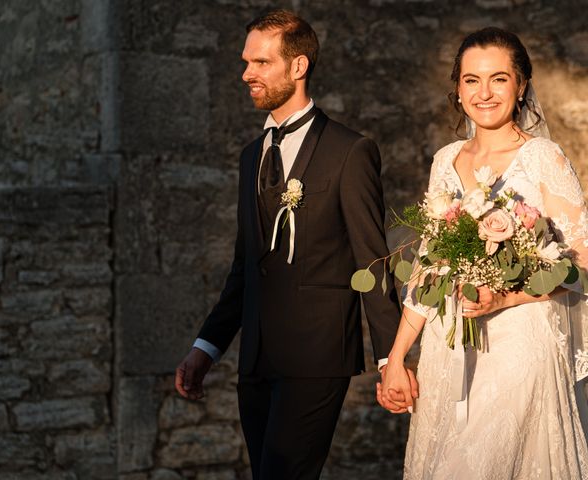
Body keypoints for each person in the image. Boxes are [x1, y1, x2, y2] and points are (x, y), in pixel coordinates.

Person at [174, 9, 404, 480]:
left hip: (318, 357)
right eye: (246, 62)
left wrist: (391, 358)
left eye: (260, 63)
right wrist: (207, 347)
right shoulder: (249, 158)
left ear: (297, 67)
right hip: (257, 359)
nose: (246, 74)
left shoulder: (349, 151)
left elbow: (373, 259)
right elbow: (245, 265)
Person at [378, 26, 588, 479]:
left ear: (521, 85)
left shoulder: (544, 158)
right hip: (446, 347)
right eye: (472, 79)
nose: (484, 92)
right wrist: (397, 359)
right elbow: (428, 269)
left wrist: (507, 297)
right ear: (457, 88)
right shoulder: (445, 159)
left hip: (520, 349)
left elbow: (583, 265)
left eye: (499, 78)